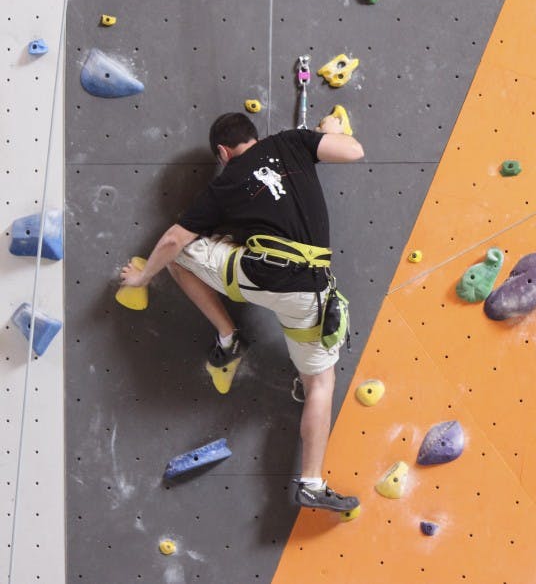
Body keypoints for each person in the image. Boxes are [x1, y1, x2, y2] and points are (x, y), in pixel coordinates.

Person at [119, 111, 364, 512]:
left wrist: (143, 277)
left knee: (178, 256)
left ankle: (229, 338)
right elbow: (353, 151)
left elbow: (172, 239)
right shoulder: (292, 141)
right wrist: (328, 131)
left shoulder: (226, 182)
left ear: (222, 151)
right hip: (311, 293)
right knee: (320, 385)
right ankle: (311, 483)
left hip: (257, 276)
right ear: (255, 136)